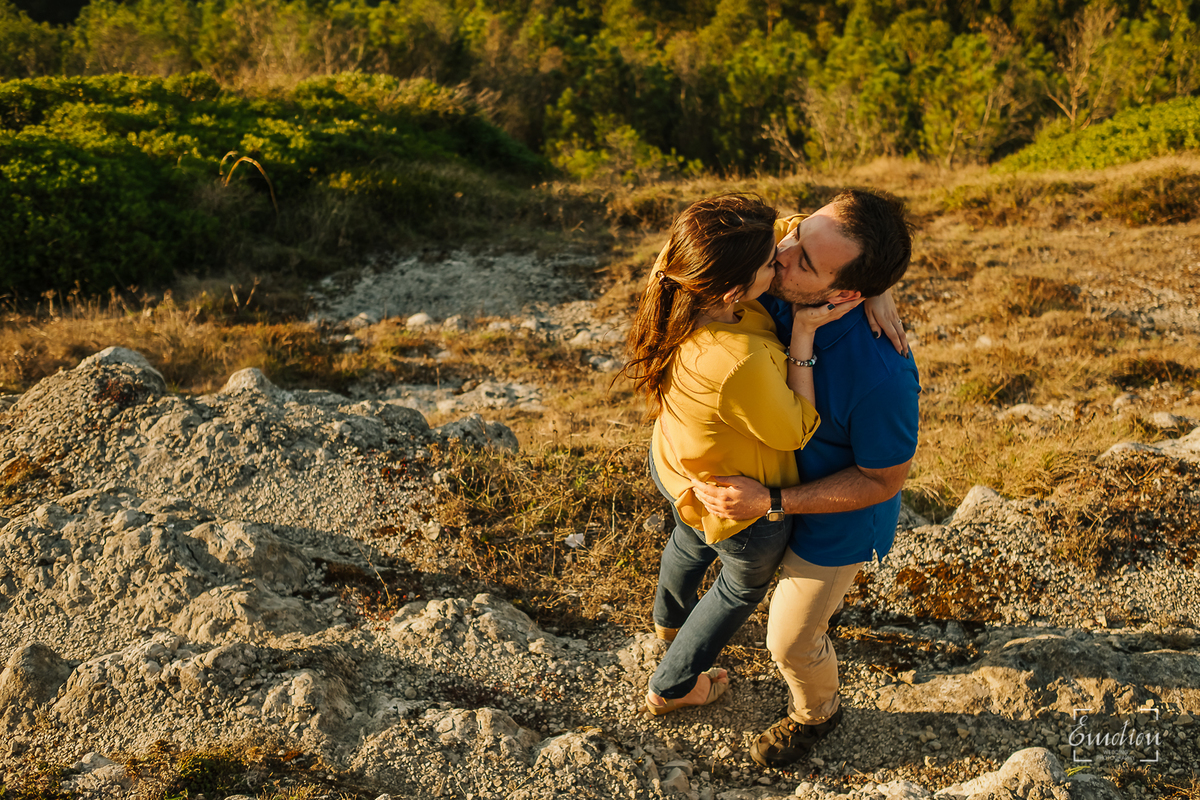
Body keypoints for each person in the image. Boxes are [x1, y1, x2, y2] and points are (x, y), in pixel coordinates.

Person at [689, 188, 919, 766]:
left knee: (788, 643)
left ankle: (816, 713)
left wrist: (773, 501)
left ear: (843, 293)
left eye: (803, 261)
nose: (780, 254)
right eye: (793, 237)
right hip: (771, 484)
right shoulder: (790, 263)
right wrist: (882, 286)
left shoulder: (883, 376)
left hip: (830, 522)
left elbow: (882, 480)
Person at [621, 193, 865, 717]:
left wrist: (879, 289)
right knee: (737, 587)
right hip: (738, 500)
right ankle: (674, 685)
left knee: (688, 541)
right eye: (767, 263)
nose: (780, 260)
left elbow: (785, 227)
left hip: (677, 462)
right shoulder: (738, 358)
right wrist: (803, 333)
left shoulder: (681, 269)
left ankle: (669, 622)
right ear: (735, 287)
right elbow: (795, 429)